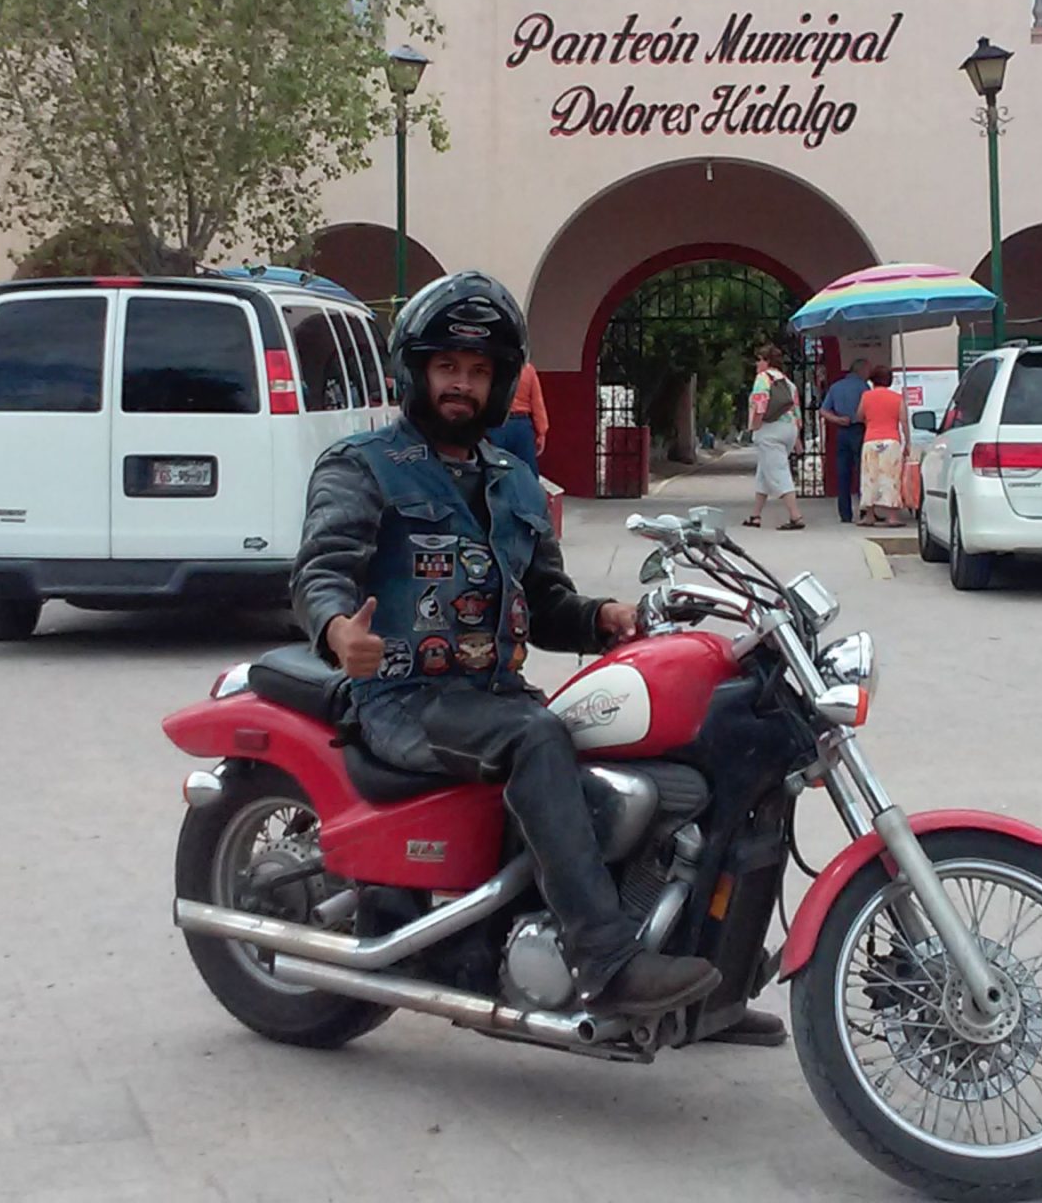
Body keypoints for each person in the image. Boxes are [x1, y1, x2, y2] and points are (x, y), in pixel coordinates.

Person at [292, 272, 743, 1030]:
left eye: (478, 371)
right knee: (538, 737)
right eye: (447, 368)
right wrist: (340, 631)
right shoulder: (361, 465)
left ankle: (713, 991)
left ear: (501, 383)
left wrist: (604, 619)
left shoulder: (516, 483)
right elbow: (322, 567)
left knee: (671, 752)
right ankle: (605, 961)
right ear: (417, 371)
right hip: (403, 700)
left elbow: (545, 602)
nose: (462, 385)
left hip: (490, 696)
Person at [745, 344, 805, 530]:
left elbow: (760, 404)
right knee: (764, 472)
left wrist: (754, 425)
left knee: (779, 471)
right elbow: (796, 412)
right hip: (788, 430)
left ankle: (796, 516)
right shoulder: (788, 383)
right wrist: (797, 440)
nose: (757, 364)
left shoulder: (763, 379)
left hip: (770, 431)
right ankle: (755, 515)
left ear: (766, 361)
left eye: (759, 359)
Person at [819, 357, 869, 523]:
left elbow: (824, 411)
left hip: (842, 431)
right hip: (859, 430)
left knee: (843, 472)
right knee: (863, 472)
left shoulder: (836, 387)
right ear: (861, 370)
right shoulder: (864, 387)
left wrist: (837, 420)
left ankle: (845, 513)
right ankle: (864, 510)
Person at [855, 366, 907, 526]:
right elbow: (904, 421)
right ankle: (892, 516)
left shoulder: (866, 396)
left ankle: (870, 515)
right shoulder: (898, 398)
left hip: (871, 440)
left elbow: (859, 416)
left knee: (870, 478)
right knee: (891, 478)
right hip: (891, 441)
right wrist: (908, 443)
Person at [495, 360, 549, 469]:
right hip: (521, 424)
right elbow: (537, 402)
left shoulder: (493, 367)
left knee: (494, 467)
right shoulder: (528, 369)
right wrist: (541, 432)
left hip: (496, 422)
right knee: (527, 470)